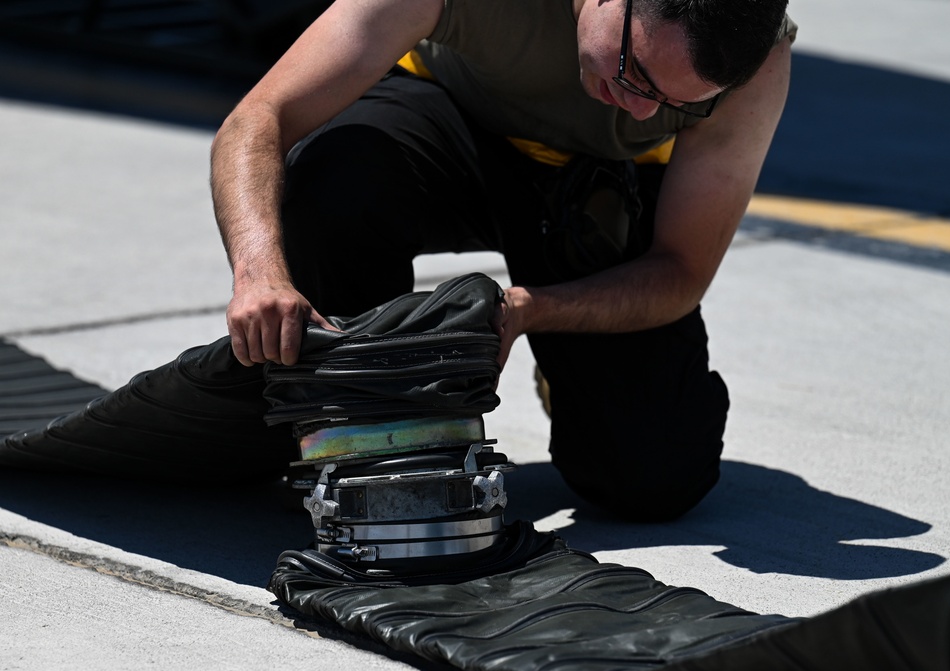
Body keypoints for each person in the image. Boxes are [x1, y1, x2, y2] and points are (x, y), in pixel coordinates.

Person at [209, 0, 794, 521]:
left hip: (596, 187)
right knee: (335, 178)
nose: (641, 111)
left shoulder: (759, 63)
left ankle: (568, 375)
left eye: (677, 105)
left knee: (655, 478)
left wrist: (531, 311)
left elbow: (681, 270)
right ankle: (345, 412)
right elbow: (260, 118)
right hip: (447, 122)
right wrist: (261, 275)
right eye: (634, 71)